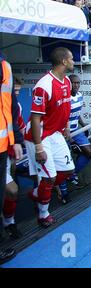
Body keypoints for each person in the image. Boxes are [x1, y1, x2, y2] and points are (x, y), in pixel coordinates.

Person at [24, 47, 75, 227]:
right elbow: (36, 119)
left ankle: (39, 192)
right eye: (71, 59)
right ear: (63, 62)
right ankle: (43, 214)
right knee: (49, 178)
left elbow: (65, 107)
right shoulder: (43, 85)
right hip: (38, 135)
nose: (73, 62)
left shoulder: (67, 81)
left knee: (68, 169)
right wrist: (38, 147)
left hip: (55, 133)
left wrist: (66, 126)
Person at [0, 55, 23, 264]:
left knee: (12, 191)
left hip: (3, 149)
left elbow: (11, 111)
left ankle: (9, 222)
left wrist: (15, 141)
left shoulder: (5, 66)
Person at [56, 74, 91, 204]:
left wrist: (84, 125)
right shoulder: (64, 98)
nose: (76, 85)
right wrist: (68, 137)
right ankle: (64, 193)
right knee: (63, 163)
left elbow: (77, 114)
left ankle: (72, 174)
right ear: (68, 84)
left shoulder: (80, 96)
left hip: (76, 130)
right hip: (63, 132)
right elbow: (60, 116)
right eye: (73, 83)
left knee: (89, 152)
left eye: (78, 83)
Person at [2, 78, 26, 239]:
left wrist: (17, 147)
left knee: (13, 190)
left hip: (4, 155)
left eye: (17, 91)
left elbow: (20, 128)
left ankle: (9, 222)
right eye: (14, 91)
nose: (15, 95)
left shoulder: (14, 106)